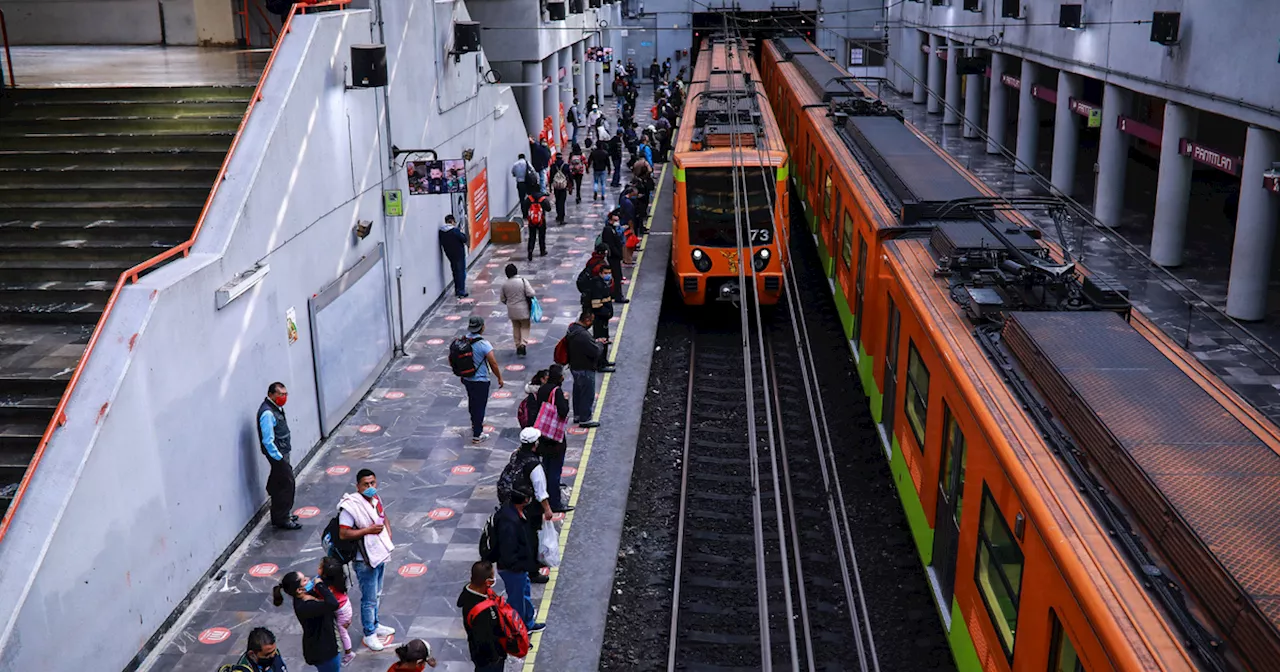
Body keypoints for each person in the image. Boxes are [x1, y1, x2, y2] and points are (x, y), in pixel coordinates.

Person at [338, 469, 396, 651]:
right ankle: (369, 633)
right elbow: (344, 533)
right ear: (358, 486)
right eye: (366, 484)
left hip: (379, 553)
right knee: (369, 599)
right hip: (363, 559)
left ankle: (376, 624)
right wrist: (367, 531)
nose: (370, 487)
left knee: (377, 593)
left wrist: (388, 532)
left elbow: (383, 515)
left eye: (372, 483)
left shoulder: (376, 499)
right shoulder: (351, 507)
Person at [494, 483, 545, 631]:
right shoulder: (509, 522)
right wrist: (518, 566)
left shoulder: (512, 512)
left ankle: (528, 622)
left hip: (519, 568)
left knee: (524, 594)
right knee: (517, 600)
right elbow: (508, 550)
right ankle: (518, 629)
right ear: (524, 500)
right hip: (512, 569)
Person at [272, 571, 341, 671]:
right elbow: (333, 604)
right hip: (324, 651)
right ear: (299, 590)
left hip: (322, 643)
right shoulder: (305, 607)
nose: (309, 579)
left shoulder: (304, 596)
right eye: (304, 580)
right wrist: (320, 585)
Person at [257, 382, 300, 530]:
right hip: (278, 455)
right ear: (271, 395)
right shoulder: (268, 413)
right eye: (280, 394)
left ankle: (280, 514)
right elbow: (268, 440)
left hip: (282, 452)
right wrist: (279, 459)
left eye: (285, 394)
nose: (283, 397)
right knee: (287, 484)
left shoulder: (276, 409)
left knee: (278, 484)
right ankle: (283, 518)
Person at [458, 316, 504, 443]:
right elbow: (493, 363)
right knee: (480, 406)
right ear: (482, 327)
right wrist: (499, 378)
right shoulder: (484, 344)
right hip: (481, 380)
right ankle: (477, 435)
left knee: (472, 402)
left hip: (467, 378)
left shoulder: (463, 341)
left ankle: (474, 423)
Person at [534, 365, 572, 513]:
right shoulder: (557, 391)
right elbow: (563, 412)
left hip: (543, 435)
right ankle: (555, 503)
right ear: (560, 378)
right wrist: (566, 401)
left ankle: (546, 496)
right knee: (555, 471)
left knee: (547, 468)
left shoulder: (542, 389)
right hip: (555, 438)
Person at [457, 561, 508, 672]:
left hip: (478, 653)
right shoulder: (482, 612)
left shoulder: (469, 594)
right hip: (488, 659)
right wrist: (496, 657)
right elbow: (485, 640)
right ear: (488, 582)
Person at [566, 312, 612, 427]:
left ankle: (577, 415)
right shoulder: (583, 335)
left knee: (578, 392)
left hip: (574, 366)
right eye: (591, 321)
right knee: (587, 394)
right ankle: (585, 419)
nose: (592, 324)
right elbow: (595, 352)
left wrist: (594, 342)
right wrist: (600, 344)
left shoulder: (572, 329)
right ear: (586, 320)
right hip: (585, 368)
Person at [319, 557, 355, 664]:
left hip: (342, 610)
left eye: (320, 567)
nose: (318, 568)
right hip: (345, 606)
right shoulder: (337, 580)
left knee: (343, 632)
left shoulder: (326, 587)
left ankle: (349, 654)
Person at [498, 264, 535, 357]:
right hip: (523, 309)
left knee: (516, 327)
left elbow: (502, 299)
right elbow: (531, 293)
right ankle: (523, 343)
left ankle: (517, 345)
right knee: (525, 326)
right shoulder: (522, 281)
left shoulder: (504, 284)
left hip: (511, 310)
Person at [439, 215, 469, 298]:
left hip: (450, 254)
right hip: (459, 254)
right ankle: (461, 291)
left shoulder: (441, 231)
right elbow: (464, 239)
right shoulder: (455, 231)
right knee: (461, 272)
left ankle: (457, 289)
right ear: (452, 221)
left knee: (455, 271)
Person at [601, 209, 627, 304]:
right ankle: (618, 296)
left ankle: (615, 294)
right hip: (613, 257)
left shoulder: (612, 228)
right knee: (617, 276)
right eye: (616, 217)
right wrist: (619, 254)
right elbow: (611, 245)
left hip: (614, 256)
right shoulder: (608, 230)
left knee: (617, 276)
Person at [523, 188, 549, 260]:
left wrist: (526, 216)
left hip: (531, 221)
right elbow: (548, 208)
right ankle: (542, 250)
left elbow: (524, 208)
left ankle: (530, 250)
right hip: (541, 221)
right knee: (542, 236)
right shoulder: (542, 199)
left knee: (532, 236)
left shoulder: (529, 199)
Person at [549, 154, 571, 225]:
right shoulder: (565, 166)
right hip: (563, 186)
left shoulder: (553, 166)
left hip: (556, 186)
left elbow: (551, 177)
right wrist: (571, 185)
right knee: (562, 201)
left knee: (557, 201)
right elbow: (570, 175)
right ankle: (562, 217)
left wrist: (550, 186)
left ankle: (558, 215)